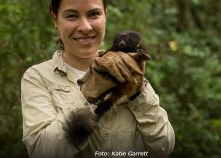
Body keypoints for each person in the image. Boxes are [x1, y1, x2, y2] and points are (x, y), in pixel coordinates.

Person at [21, 0, 175, 157]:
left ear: (105, 15)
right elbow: (42, 152)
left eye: (94, 14)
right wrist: (87, 94)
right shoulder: (38, 78)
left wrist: (138, 93)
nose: (85, 27)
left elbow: (164, 147)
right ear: (55, 19)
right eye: (72, 16)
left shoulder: (126, 66)